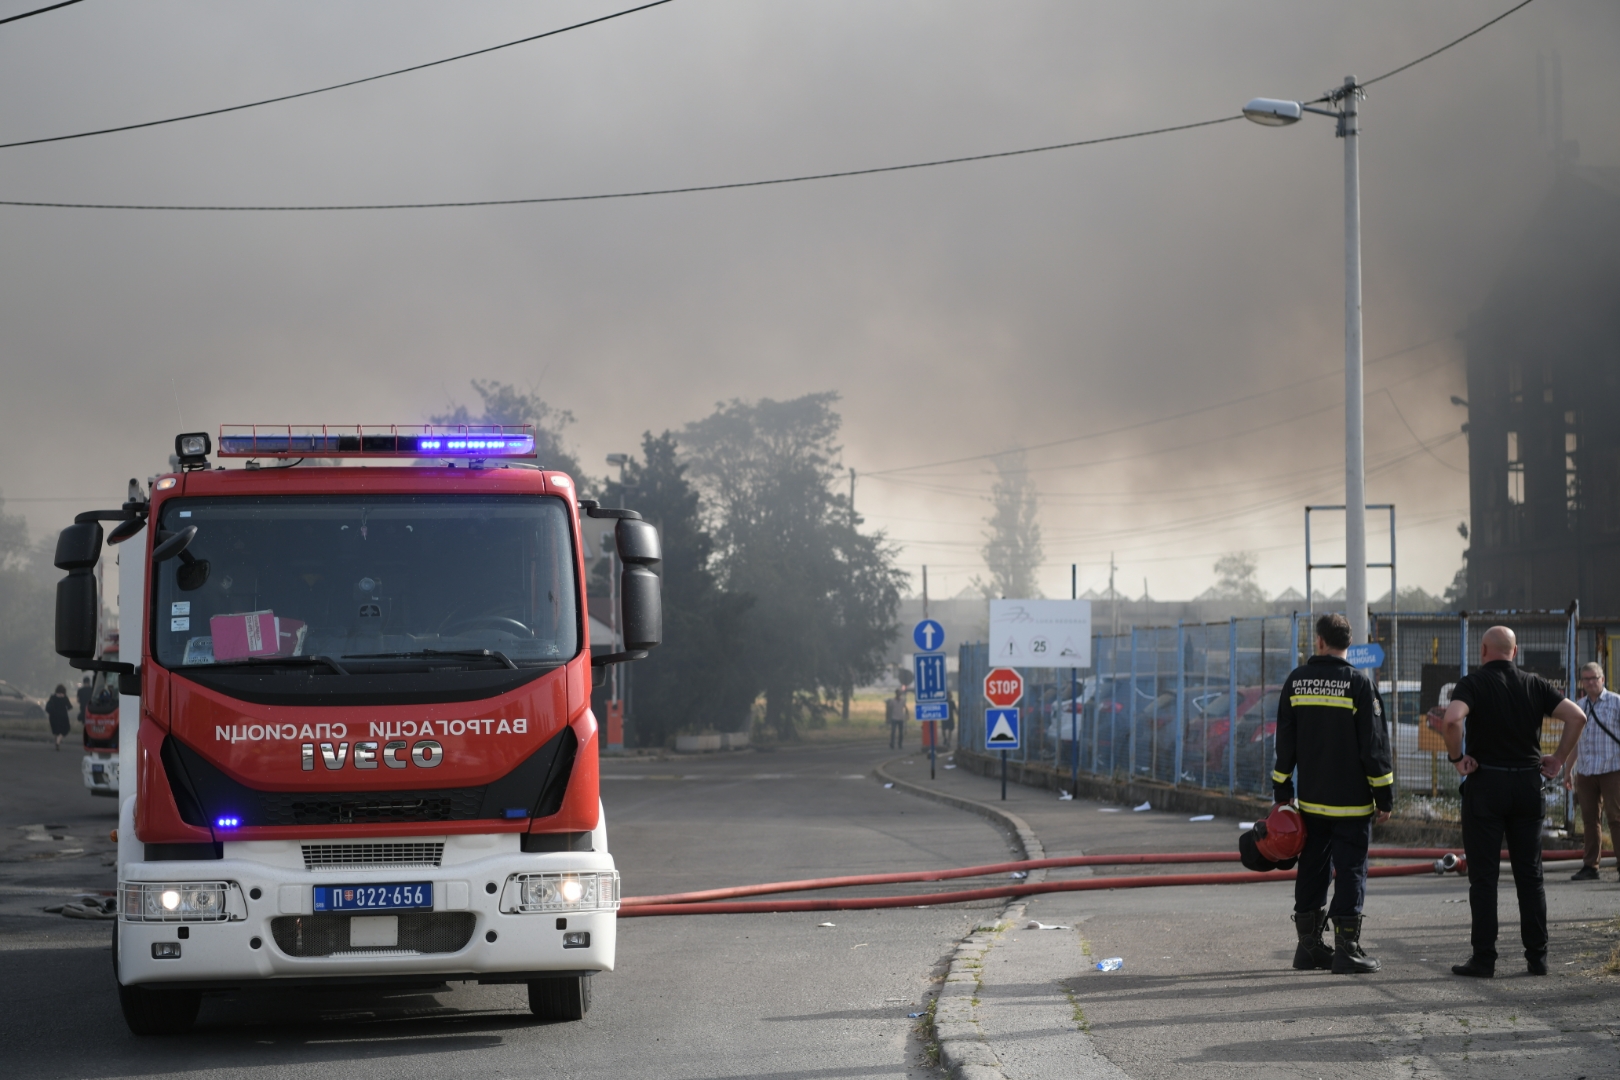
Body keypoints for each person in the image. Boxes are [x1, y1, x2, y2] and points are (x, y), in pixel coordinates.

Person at [1430, 625, 1587, 978]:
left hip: (1486, 784)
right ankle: (1537, 957)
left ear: (1483, 651)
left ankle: (1484, 958)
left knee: (1484, 878)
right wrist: (1559, 758)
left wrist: (1458, 759)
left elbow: (1452, 720)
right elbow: (1577, 717)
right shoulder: (1535, 684)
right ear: (1515, 652)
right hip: (1528, 785)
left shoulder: (1472, 683)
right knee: (1530, 876)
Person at [1270, 612, 1393, 975]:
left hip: (1310, 803)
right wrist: (1384, 796)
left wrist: (1282, 790)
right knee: (1351, 869)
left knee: (1312, 868)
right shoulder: (1359, 684)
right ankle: (1347, 950)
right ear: (1348, 644)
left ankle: (1309, 948)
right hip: (1352, 805)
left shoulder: (1296, 682)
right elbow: (1374, 748)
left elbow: (1285, 744)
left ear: (1319, 641)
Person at [1565, 662, 1620, 882]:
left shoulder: (1616, 703)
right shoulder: (1579, 706)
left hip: (1612, 768)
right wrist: (1568, 770)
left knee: (1616, 818)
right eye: (1586, 679)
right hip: (1586, 771)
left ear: (1602, 679)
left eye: (1594, 678)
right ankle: (1590, 866)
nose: (1590, 682)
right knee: (1589, 820)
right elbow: (1574, 742)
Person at [45, 684, 72, 751]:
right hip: (63, 717)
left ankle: (57, 743)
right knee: (65, 729)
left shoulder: (52, 697)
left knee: (56, 730)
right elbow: (70, 707)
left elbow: (48, 706)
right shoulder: (65, 698)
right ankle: (58, 742)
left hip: (53, 716)